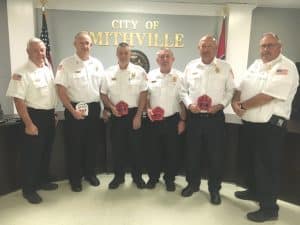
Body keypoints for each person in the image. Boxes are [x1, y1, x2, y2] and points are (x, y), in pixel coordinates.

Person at [231, 32, 299, 222]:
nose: (266, 50)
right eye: (263, 46)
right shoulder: (256, 64)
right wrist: (235, 102)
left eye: (270, 45)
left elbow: (267, 95)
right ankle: (254, 191)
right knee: (252, 163)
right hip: (251, 125)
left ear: (280, 47)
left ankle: (269, 209)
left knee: (267, 168)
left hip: (270, 127)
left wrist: (242, 106)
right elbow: (239, 86)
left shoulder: (286, 67)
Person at [180, 35, 235, 204]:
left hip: (215, 118)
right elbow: (183, 91)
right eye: (203, 46)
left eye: (210, 46)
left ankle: (214, 190)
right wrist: (189, 105)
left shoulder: (225, 67)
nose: (206, 49)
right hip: (194, 118)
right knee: (192, 154)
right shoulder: (190, 66)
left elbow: (230, 91)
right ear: (199, 48)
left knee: (215, 156)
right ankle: (193, 185)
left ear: (215, 48)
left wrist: (220, 106)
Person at [6, 38, 58, 204]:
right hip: (33, 117)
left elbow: (50, 93)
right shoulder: (21, 72)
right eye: (35, 50)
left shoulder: (47, 67)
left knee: (45, 152)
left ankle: (42, 181)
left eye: (42, 50)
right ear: (28, 52)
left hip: (48, 116)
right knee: (31, 156)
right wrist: (28, 123)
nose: (40, 53)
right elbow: (18, 99)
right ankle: (28, 190)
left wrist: (54, 113)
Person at [55, 31, 104, 192]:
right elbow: (60, 90)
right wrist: (72, 110)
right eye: (81, 42)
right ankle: (75, 179)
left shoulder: (97, 64)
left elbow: (102, 89)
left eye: (87, 43)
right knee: (74, 146)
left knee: (91, 144)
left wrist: (105, 109)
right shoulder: (66, 64)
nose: (85, 46)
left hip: (94, 108)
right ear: (75, 44)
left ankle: (90, 174)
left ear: (91, 45)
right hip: (74, 107)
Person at [101, 42, 148, 189]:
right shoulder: (108, 72)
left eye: (126, 53)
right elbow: (103, 94)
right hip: (116, 116)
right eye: (120, 53)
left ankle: (137, 177)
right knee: (117, 148)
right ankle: (118, 177)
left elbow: (144, 94)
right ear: (117, 54)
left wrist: (138, 115)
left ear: (130, 54)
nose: (123, 56)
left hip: (134, 114)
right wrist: (110, 107)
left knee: (137, 148)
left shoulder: (139, 72)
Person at [146, 48, 186, 191]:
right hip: (154, 121)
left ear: (172, 59)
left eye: (167, 56)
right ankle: (153, 178)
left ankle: (169, 179)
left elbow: (183, 100)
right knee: (153, 152)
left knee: (172, 153)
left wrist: (183, 120)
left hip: (172, 120)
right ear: (157, 60)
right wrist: (147, 109)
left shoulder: (181, 77)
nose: (164, 59)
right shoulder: (150, 76)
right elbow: (146, 97)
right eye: (161, 57)